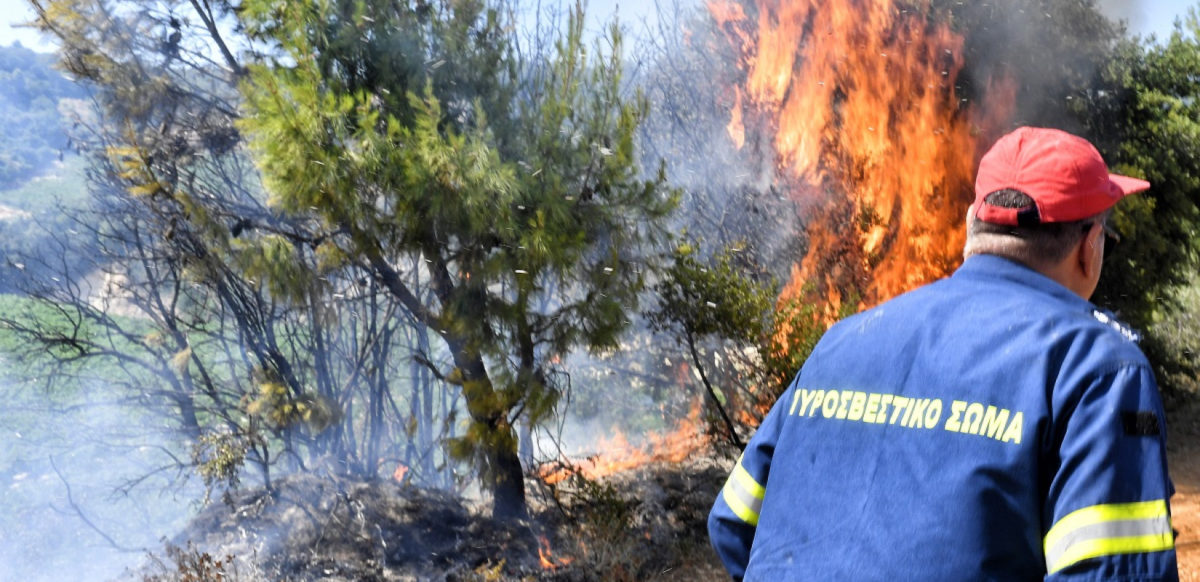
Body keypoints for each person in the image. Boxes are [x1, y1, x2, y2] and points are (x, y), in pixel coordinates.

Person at [708, 126, 1178, 580]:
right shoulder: (1095, 366)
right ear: (1089, 246)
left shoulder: (843, 340)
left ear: (972, 226)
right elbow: (1117, 574)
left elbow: (734, 521)